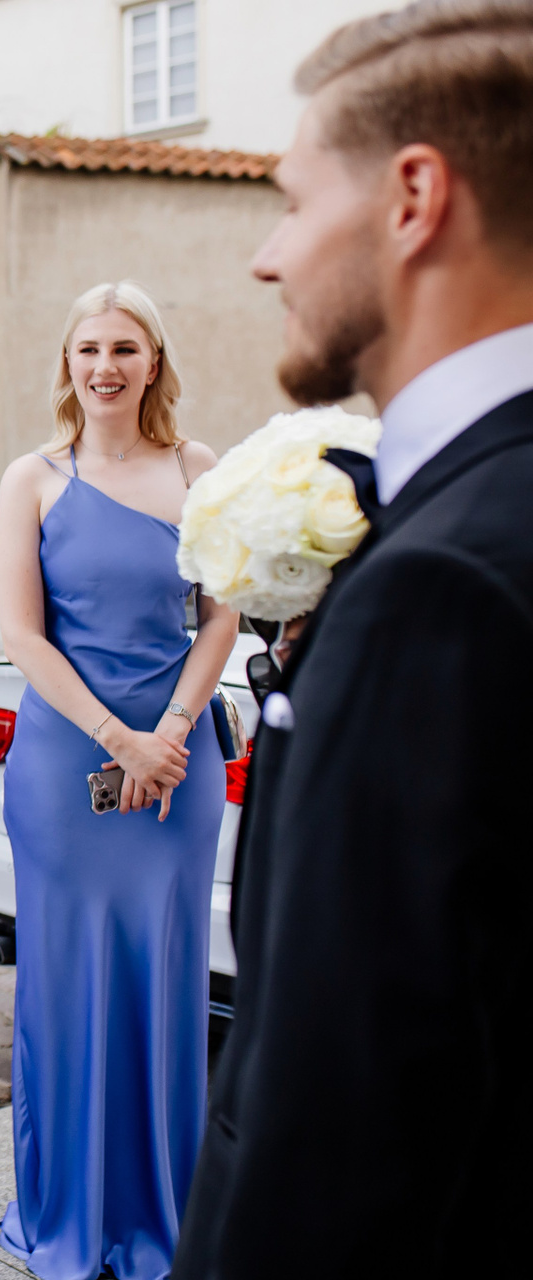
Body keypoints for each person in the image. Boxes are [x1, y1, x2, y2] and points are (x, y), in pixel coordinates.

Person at [176, 4, 533, 1274]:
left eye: (290, 201)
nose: (267, 258)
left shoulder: (440, 584)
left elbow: (340, 1129)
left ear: (413, 198)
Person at [0, 281, 236, 1280]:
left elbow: (222, 615)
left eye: (125, 348)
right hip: (68, 769)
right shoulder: (32, 479)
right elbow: (21, 634)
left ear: (154, 362)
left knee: (164, 982)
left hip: (180, 764)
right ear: (68, 362)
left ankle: (161, 1212)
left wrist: (168, 732)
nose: (105, 366)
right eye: (89, 348)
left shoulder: (198, 468)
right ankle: (70, 1212)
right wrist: (116, 739)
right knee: (68, 983)